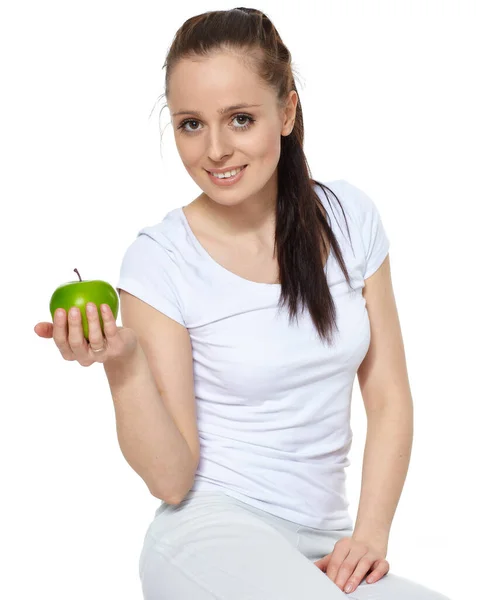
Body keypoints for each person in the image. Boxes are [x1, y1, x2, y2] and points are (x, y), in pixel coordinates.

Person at [34, 7, 451, 600]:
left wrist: (371, 534)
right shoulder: (160, 259)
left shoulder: (350, 219)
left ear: (286, 111)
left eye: (240, 119)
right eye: (191, 125)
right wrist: (124, 365)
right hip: (210, 535)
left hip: (327, 544)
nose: (217, 149)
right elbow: (173, 481)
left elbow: (387, 396)